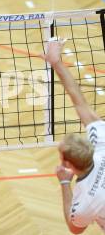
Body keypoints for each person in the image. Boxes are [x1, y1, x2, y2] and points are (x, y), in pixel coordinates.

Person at [43, 38, 105, 233]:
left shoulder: (86, 201)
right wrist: (56, 62)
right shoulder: (102, 142)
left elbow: (75, 228)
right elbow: (79, 101)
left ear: (68, 165)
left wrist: (64, 183)